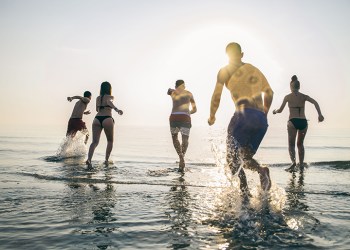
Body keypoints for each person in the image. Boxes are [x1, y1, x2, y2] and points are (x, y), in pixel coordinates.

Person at [208, 42, 274, 192]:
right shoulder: (254, 69)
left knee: (232, 160)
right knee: (244, 158)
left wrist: (212, 115)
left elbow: (217, 95)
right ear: (242, 54)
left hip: (243, 116)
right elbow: (269, 93)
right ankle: (262, 171)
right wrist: (264, 114)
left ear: (227, 56)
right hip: (261, 121)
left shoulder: (224, 71)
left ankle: (244, 195)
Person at [273, 75, 324, 172]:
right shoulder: (304, 96)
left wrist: (274, 111)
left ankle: (293, 163)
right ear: (299, 87)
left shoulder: (287, 97)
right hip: (303, 122)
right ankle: (301, 165)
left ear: (291, 87)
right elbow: (315, 102)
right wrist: (320, 115)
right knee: (300, 144)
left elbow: (280, 110)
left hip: (293, 121)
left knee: (291, 144)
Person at [86, 82, 123, 165]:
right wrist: (116, 110)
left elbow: (97, 109)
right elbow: (109, 101)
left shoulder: (98, 98)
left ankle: (89, 159)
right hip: (107, 119)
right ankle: (106, 160)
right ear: (109, 89)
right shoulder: (110, 97)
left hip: (97, 119)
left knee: (94, 142)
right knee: (110, 141)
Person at [167, 80, 197, 172]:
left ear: (176, 86)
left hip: (174, 117)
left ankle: (181, 158)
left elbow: (168, 90)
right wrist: (189, 112)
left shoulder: (173, 92)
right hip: (185, 118)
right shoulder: (189, 94)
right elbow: (195, 109)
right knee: (185, 139)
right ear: (183, 86)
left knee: (175, 138)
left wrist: (172, 89)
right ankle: (182, 158)